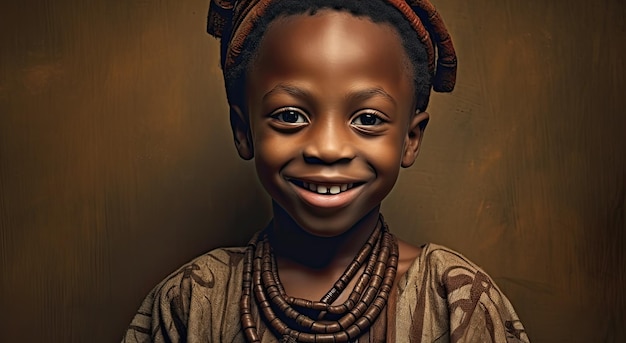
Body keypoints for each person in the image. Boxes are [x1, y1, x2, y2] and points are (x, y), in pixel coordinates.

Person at [122, 0, 529, 342]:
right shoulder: (192, 303)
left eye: (368, 119)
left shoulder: (456, 302)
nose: (328, 148)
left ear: (411, 138)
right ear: (243, 131)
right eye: (290, 115)